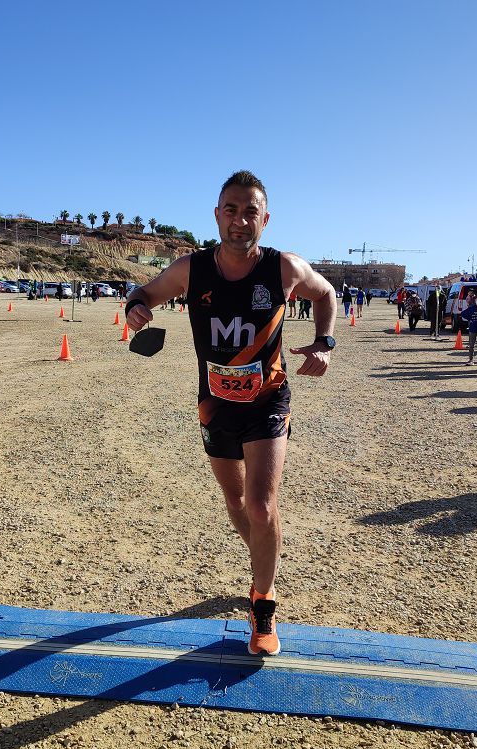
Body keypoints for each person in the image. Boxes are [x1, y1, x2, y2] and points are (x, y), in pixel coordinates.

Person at [124, 170, 337, 656]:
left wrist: (325, 343)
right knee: (237, 503)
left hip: (268, 401)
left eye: (250, 212)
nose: (240, 221)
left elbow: (326, 293)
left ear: (265, 218)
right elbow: (146, 291)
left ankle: (263, 604)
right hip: (214, 403)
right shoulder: (191, 269)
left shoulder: (283, 268)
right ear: (217, 215)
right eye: (231, 210)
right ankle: (264, 550)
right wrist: (137, 307)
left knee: (261, 506)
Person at [461, 291, 477, 365]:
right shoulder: (472, 308)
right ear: (475, 300)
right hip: (472, 329)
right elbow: (463, 313)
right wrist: (470, 318)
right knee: (471, 345)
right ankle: (470, 360)